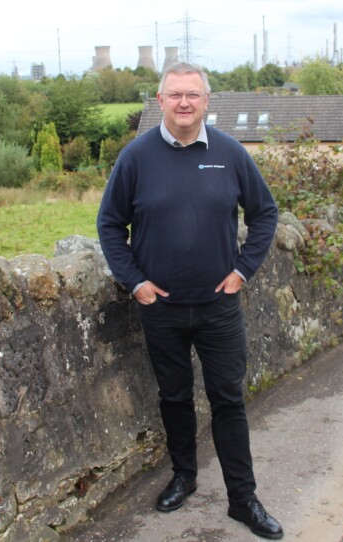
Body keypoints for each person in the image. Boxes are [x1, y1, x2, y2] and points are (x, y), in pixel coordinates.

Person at [96, 62, 283, 540]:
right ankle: (185, 477)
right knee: (174, 397)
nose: (184, 103)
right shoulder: (136, 157)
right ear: (160, 101)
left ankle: (243, 499)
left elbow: (264, 214)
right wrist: (135, 282)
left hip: (219, 307)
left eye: (193, 95)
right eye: (175, 94)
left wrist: (243, 271)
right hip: (161, 308)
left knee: (228, 400)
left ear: (206, 101)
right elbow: (110, 225)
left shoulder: (231, 152)